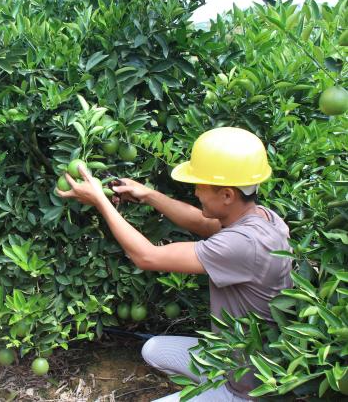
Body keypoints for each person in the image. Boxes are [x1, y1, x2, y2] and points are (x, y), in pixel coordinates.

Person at [56, 127, 293, 401]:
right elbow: (204, 223)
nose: (195, 191)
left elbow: (146, 256)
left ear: (227, 195)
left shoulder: (244, 245)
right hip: (231, 357)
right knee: (154, 349)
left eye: (201, 186)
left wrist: (99, 200)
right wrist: (147, 194)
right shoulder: (263, 218)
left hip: (249, 387)